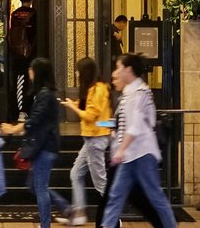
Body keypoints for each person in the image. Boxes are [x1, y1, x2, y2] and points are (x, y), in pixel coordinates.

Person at [96, 54, 178, 228]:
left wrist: (120, 150)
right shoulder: (131, 92)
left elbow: (136, 125)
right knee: (116, 195)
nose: (116, 72)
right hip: (131, 155)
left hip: (142, 153)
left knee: (155, 196)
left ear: (128, 69)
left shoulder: (139, 92)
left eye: (119, 67)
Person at [0, 57, 71, 228]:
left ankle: (45, 225)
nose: (29, 73)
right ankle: (66, 208)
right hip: (43, 146)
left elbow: (34, 121)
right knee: (34, 185)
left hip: (45, 148)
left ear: (38, 73)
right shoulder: (43, 94)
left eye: (31, 70)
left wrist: (13, 129)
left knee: (40, 188)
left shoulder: (45, 95)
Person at [61, 57, 112, 225]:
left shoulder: (97, 89)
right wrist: (74, 103)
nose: (76, 73)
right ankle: (79, 213)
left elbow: (89, 116)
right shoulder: (97, 88)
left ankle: (113, 213)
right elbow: (89, 108)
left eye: (78, 70)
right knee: (75, 174)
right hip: (93, 139)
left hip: (95, 140)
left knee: (100, 183)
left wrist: (72, 107)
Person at [7, 0, 38, 119]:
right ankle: (25, 110)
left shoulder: (14, 14)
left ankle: (16, 111)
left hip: (16, 53)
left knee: (17, 82)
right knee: (29, 81)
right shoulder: (34, 14)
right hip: (29, 53)